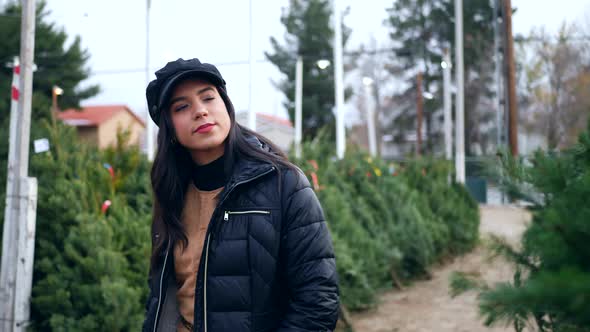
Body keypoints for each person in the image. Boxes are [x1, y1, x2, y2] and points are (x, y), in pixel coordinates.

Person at [141, 58, 339, 332]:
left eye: (208, 98)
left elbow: (318, 299)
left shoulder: (284, 184)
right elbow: (161, 299)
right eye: (182, 106)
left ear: (226, 106)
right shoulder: (172, 196)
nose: (200, 111)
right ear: (169, 128)